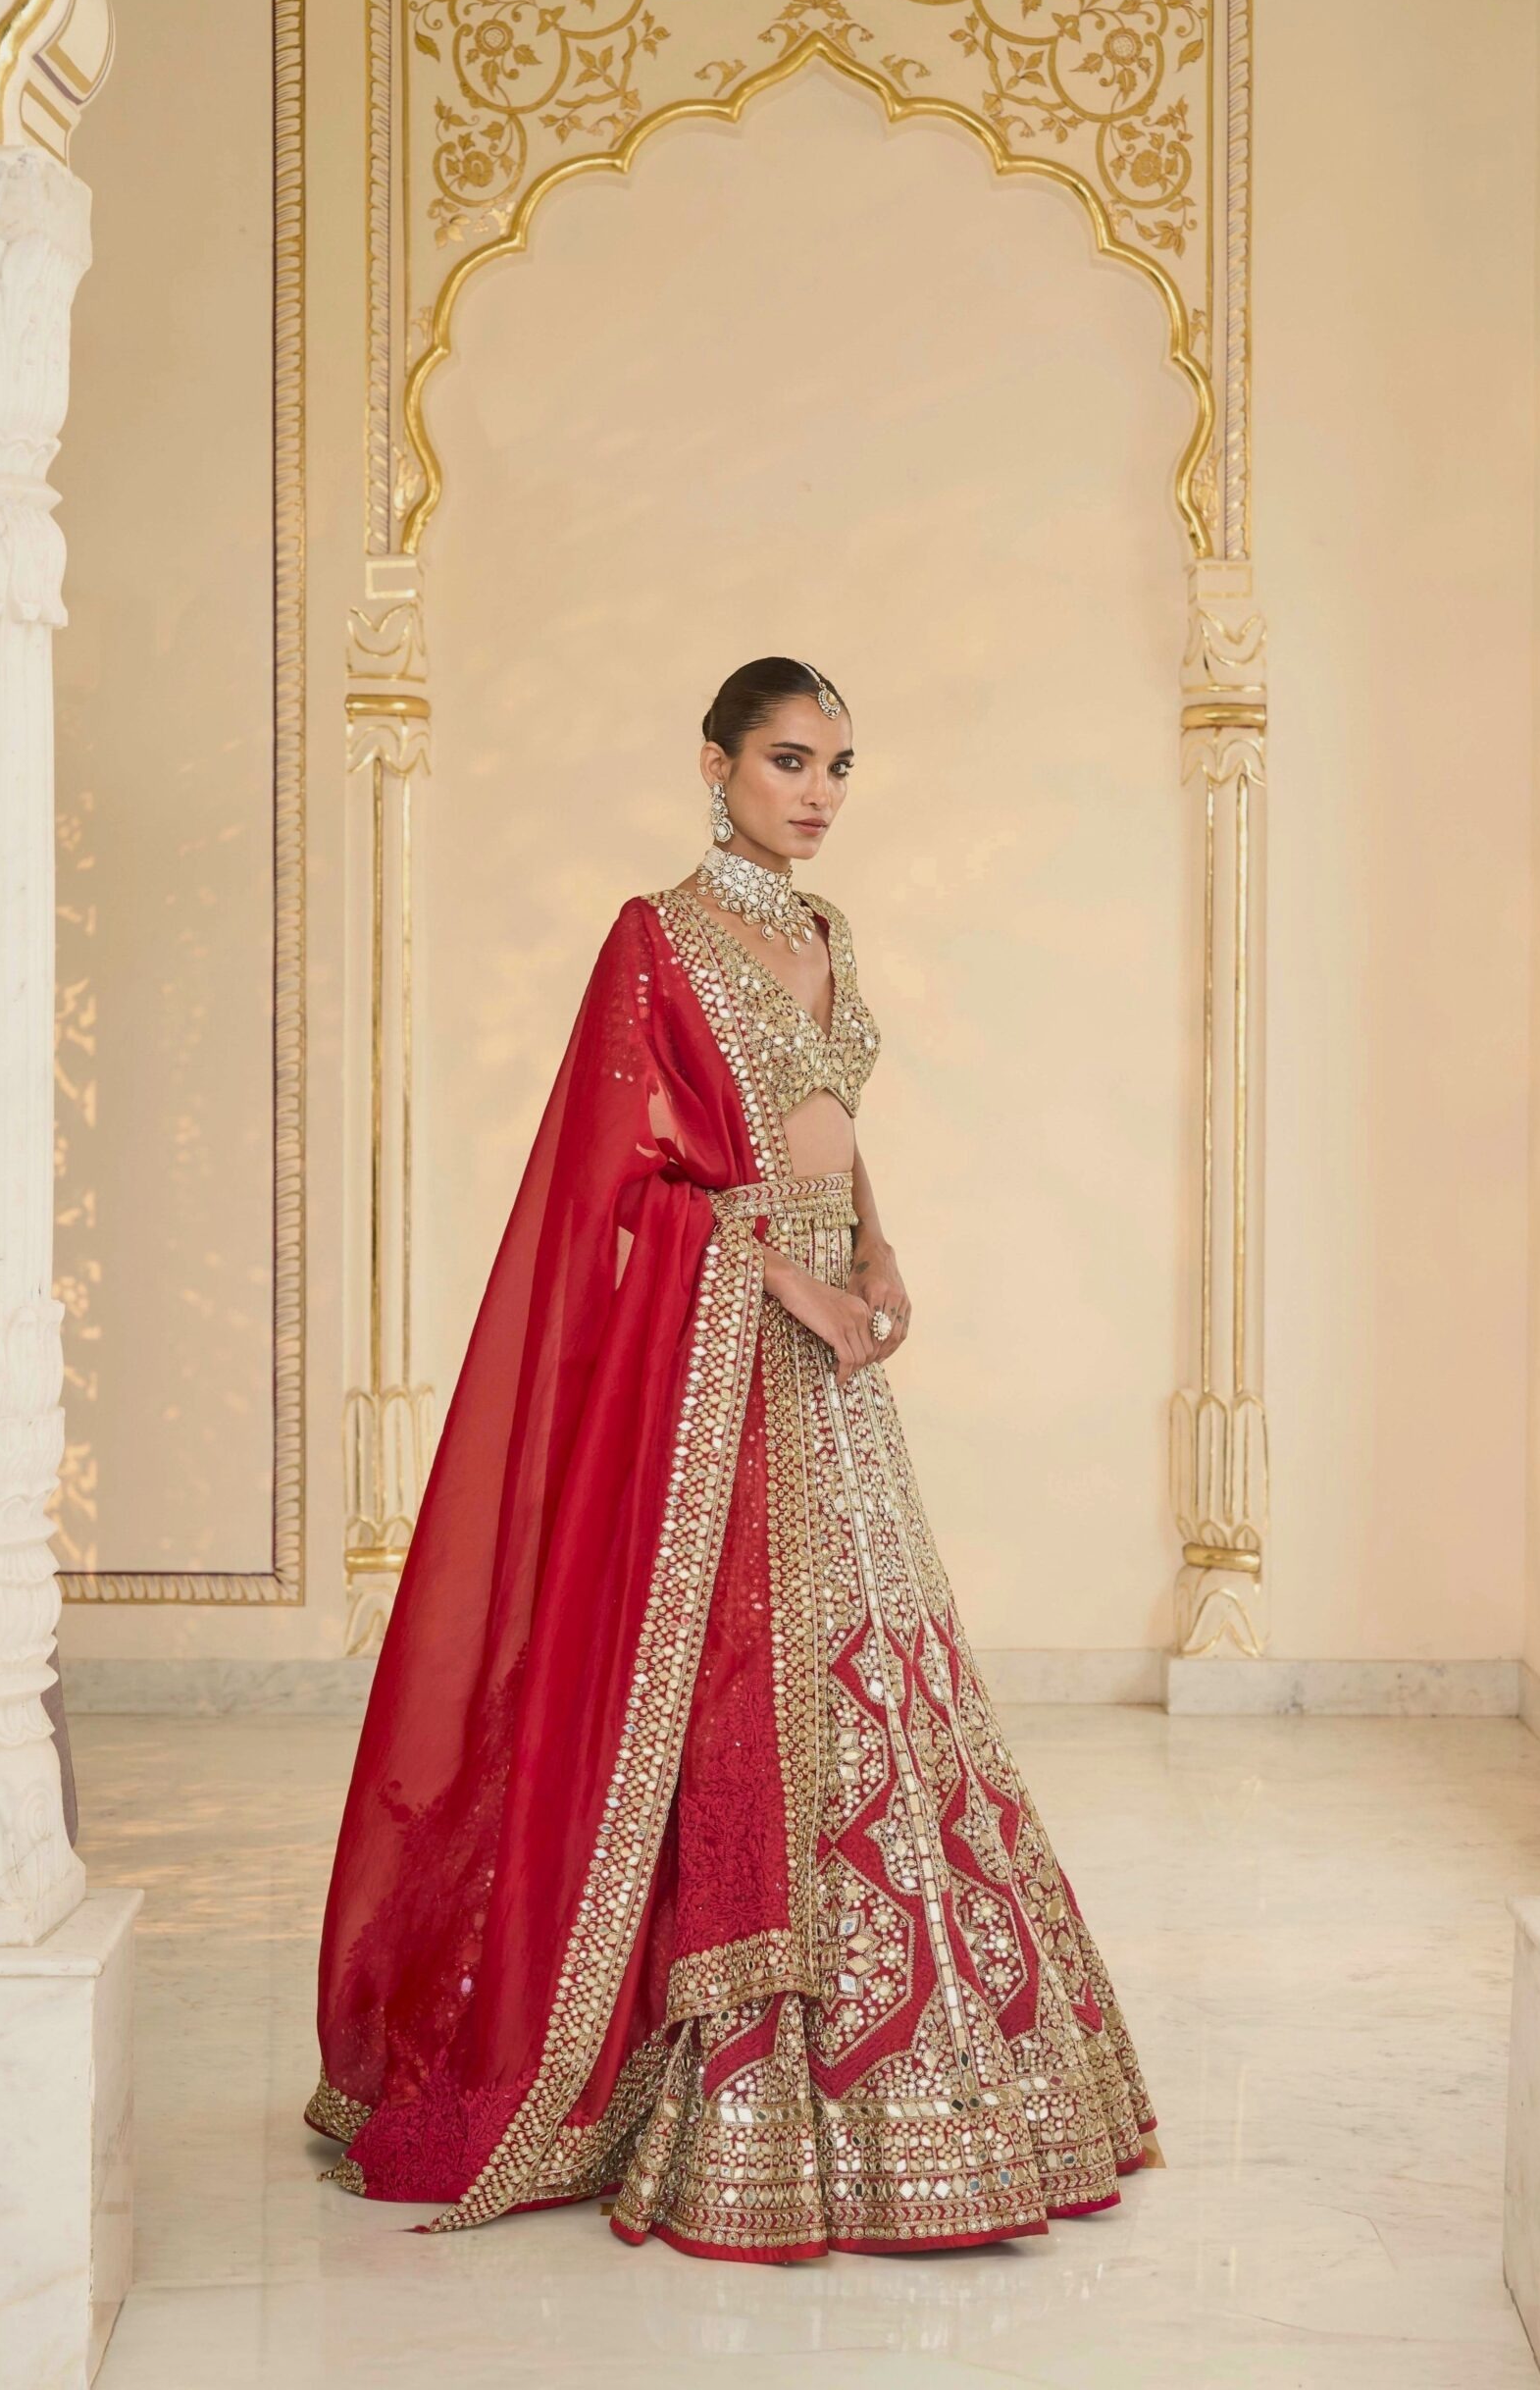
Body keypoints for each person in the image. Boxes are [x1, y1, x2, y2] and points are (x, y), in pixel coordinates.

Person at [305, 655, 1156, 2260]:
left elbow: (837, 1120)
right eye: (787, 761)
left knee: (883, 1669)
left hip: (835, 1346)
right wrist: (784, 1279)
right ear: (715, 765)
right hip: (722, 1368)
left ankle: (941, 2067)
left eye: (839, 766)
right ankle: (736, 2071)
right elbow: (616, 1181)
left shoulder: (829, 934)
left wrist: (877, 1251)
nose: (818, 794)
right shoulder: (657, 937)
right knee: (735, 1673)